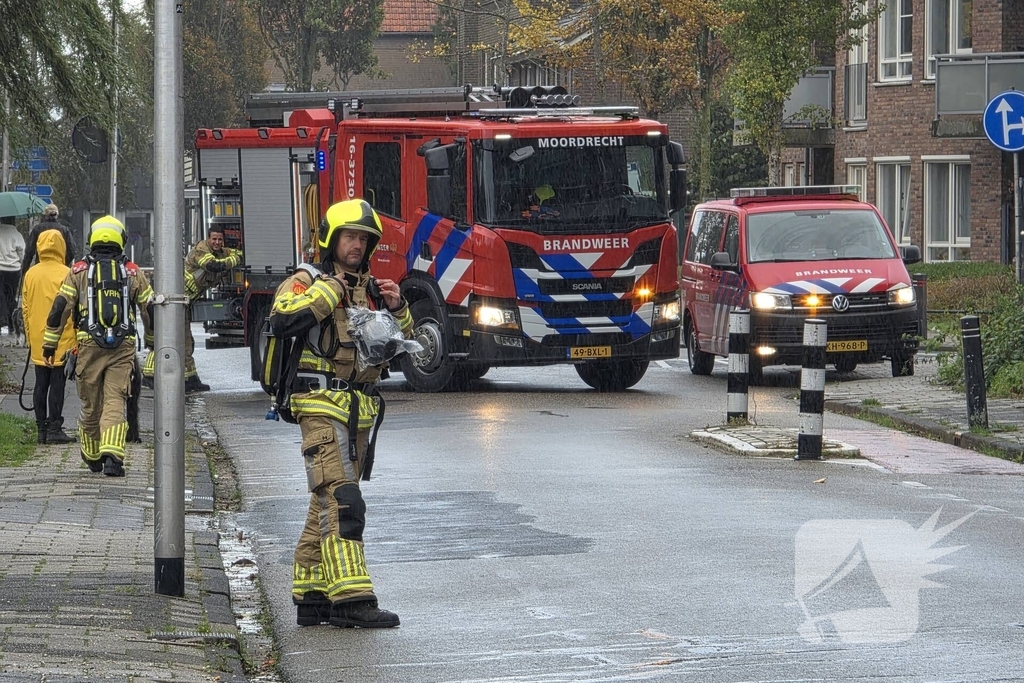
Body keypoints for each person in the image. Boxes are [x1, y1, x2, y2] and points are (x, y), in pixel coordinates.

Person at [270, 198, 412, 629]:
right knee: (343, 500)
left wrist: (397, 307)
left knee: (324, 502)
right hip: (319, 406)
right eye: (350, 236)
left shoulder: (370, 288)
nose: (357, 245)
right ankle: (352, 598)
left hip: (357, 410)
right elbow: (280, 319)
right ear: (331, 239)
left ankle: (311, 596)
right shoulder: (307, 278)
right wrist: (324, 293)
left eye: (364, 239)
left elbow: (394, 348)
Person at [42, 215, 153, 476]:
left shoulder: (78, 271)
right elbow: (150, 312)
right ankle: (113, 455)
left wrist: (50, 345)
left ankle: (93, 455)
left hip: (88, 346)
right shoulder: (134, 272)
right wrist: (151, 342)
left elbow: (59, 309)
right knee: (115, 398)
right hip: (123, 348)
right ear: (121, 240)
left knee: (91, 403)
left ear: (92, 239)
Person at [141, 225, 241, 392]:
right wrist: (236, 260)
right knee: (166, 339)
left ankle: (190, 379)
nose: (216, 242)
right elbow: (213, 266)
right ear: (208, 239)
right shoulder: (201, 249)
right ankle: (149, 376)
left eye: (220, 240)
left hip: (183, 302)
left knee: (187, 343)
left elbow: (233, 255)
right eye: (214, 239)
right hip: (172, 299)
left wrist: (239, 254)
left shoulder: (222, 253)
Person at [22, 229, 76, 444]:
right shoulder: (67, 273)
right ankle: (55, 427)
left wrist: (30, 335)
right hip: (62, 337)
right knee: (58, 383)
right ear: (61, 247)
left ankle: (40, 430)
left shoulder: (31, 274)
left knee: (40, 383)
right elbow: (73, 307)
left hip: (37, 337)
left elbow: (25, 308)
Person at [21, 204, 77, 274]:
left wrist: (25, 270)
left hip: (41, 269)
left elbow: (29, 252)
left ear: (45, 215)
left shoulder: (37, 229)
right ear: (57, 215)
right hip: (58, 270)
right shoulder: (64, 230)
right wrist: (64, 263)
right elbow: (72, 250)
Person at [0, 216, 25, 334]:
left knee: (1, 297)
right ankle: (11, 323)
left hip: (0, 268)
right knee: (11, 295)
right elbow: (22, 251)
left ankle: (2, 323)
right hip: (14, 270)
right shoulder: (16, 234)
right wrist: (21, 263)